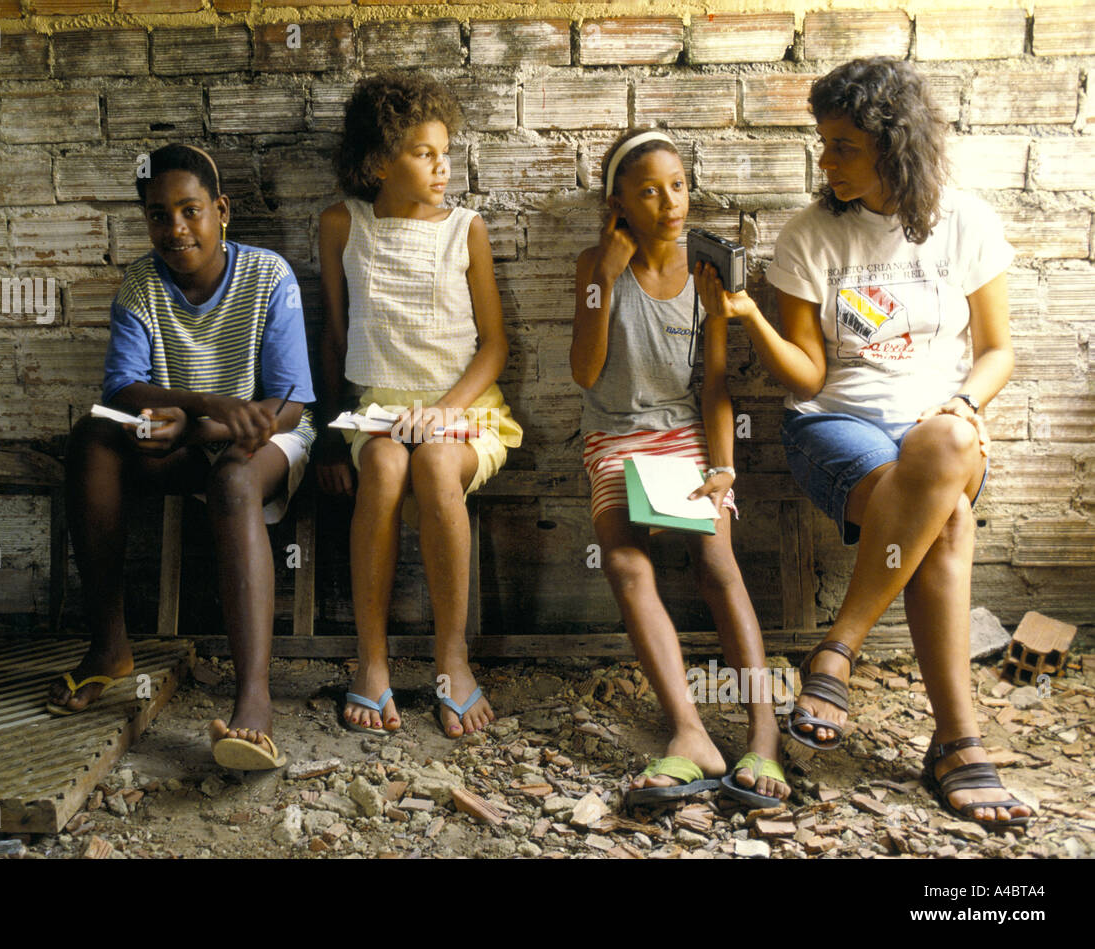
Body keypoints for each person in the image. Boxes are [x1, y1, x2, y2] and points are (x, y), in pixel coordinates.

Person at [694, 57, 1030, 829]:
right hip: (838, 427)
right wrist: (751, 319)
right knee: (943, 517)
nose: (826, 160)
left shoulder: (967, 222)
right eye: (823, 143)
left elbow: (998, 352)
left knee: (942, 447)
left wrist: (961, 401)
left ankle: (836, 647)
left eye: (843, 145)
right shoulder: (811, 235)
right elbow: (808, 380)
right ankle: (957, 742)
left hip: (940, 422)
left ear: (894, 144)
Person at [47, 144, 316, 773]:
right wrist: (200, 410)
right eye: (158, 214)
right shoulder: (142, 284)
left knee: (232, 481)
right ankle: (110, 647)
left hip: (263, 443)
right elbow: (121, 390)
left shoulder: (268, 276)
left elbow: (292, 406)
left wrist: (207, 427)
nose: (175, 229)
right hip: (184, 435)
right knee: (91, 437)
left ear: (220, 211)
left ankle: (253, 698)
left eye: (190, 210)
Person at [570, 128, 789, 809]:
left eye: (678, 186)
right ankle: (690, 731)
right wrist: (605, 277)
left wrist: (723, 466)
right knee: (626, 562)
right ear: (618, 205)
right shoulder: (594, 267)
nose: (669, 202)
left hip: (684, 433)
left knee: (716, 558)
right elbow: (584, 370)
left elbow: (716, 385)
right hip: (615, 434)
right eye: (648, 191)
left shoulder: (707, 271)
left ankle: (764, 733)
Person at [315, 72, 523, 738]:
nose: (443, 166)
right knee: (382, 469)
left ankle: (450, 659)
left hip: (462, 409)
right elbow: (337, 332)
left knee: (434, 464)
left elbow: (494, 346)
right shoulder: (342, 224)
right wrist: (325, 432)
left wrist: (443, 411)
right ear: (378, 162)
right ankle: (371, 662)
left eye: (445, 151)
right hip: (377, 409)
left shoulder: (466, 229)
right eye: (423, 153)